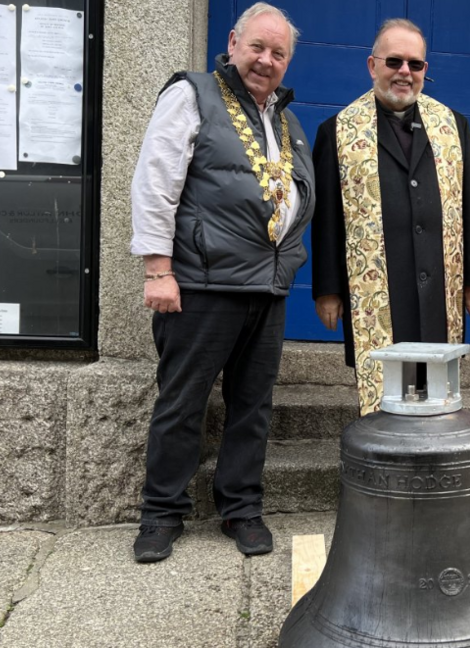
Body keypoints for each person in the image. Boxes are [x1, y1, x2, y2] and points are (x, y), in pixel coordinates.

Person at [128, 3, 314, 562]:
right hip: (203, 285)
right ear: (233, 42)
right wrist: (158, 270)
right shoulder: (192, 95)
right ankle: (161, 513)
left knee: (252, 407)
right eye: (258, 47)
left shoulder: (284, 119)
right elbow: (155, 182)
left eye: (279, 53)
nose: (267, 60)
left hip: (267, 286)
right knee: (182, 403)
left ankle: (241, 508)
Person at [311, 18, 470, 415]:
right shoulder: (336, 130)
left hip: (439, 280)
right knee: (389, 379)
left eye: (416, 64)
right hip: (376, 284)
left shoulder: (454, 126)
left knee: (435, 378)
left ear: (426, 70)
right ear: (372, 66)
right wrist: (327, 288)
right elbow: (325, 218)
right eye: (394, 61)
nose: (405, 72)